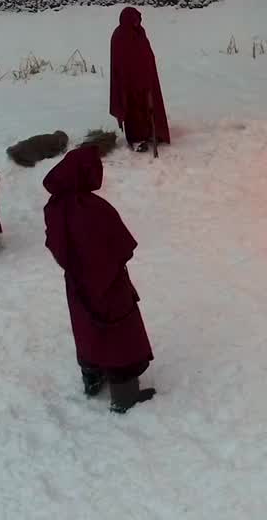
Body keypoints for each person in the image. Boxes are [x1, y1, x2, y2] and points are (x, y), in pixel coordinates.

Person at [43, 146, 157, 414]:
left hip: (79, 283)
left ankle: (92, 375)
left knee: (88, 328)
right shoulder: (91, 208)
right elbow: (120, 245)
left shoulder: (57, 205)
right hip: (108, 283)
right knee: (120, 334)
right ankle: (124, 397)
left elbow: (57, 244)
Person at [110, 7, 171, 153]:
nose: (137, 23)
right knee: (134, 112)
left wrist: (147, 72)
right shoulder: (119, 36)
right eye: (134, 20)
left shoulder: (140, 32)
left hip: (146, 79)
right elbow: (119, 62)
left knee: (150, 107)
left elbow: (146, 53)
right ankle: (137, 139)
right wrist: (128, 80)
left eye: (138, 20)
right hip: (129, 83)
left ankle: (152, 133)